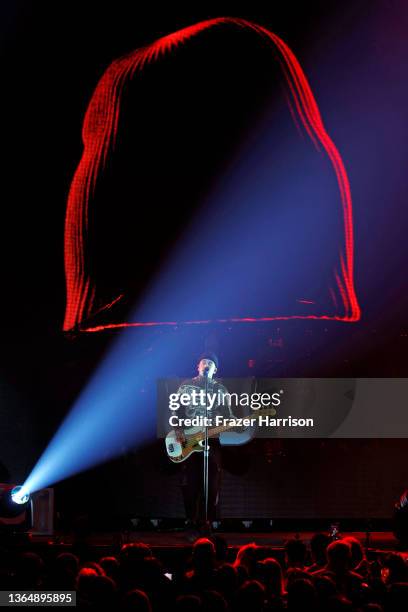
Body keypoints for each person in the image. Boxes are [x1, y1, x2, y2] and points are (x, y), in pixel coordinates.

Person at [175, 352, 233, 529]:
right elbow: (177, 411)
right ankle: (191, 519)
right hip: (190, 442)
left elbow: (228, 417)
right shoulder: (185, 386)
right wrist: (179, 431)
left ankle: (208, 520)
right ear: (198, 366)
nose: (207, 365)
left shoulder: (221, 390)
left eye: (210, 363)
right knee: (190, 482)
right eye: (204, 362)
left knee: (212, 483)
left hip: (212, 441)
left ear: (216, 369)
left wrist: (226, 423)